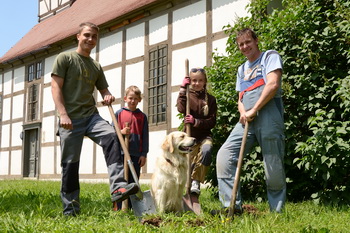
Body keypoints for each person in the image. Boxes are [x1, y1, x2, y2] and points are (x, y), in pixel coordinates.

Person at [51, 22, 138, 216]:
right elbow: (55, 87)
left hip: (91, 116)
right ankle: (71, 209)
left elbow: (103, 90)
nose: (90, 39)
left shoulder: (95, 66)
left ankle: (117, 188)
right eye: (87, 35)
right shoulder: (64, 58)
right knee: (70, 164)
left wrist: (107, 95)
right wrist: (63, 113)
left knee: (111, 136)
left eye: (94, 37)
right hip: (70, 119)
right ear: (78, 36)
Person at [214, 28, 286, 214]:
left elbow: (272, 84)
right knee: (224, 155)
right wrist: (243, 111)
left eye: (247, 42)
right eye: (241, 44)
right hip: (246, 120)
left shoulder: (269, 57)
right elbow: (241, 96)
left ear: (256, 40)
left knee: (273, 163)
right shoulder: (241, 68)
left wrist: (255, 109)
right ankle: (231, 207)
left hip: (269, 116)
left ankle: (276, 211)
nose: (244, 47)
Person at [177, 67, 217, 196]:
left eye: (200, 80)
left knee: (206, 151)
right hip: (189, 136)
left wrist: (196, 122)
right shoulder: (188, 96)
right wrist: (182, 89)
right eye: (194, 80)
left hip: (204, 136)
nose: (197, 83)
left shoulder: (210, 100)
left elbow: (212, 122)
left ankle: (196, 181)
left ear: (205, 82)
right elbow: (180, 108)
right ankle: (185, 194)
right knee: (190, 163)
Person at [113, 85, 149, 211]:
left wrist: (143, 154)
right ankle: (119, 206)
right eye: (130, 98)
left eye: (135, 98)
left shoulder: (142, 117)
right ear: (125, 99)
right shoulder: (119, 114)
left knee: (134, 180)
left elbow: (145, 137)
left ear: (139, 100)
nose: (132, 101)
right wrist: (121, 131)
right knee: (121, 179)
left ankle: (132, 206)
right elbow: (112, 132)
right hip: (121, 152)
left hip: (136, 154)